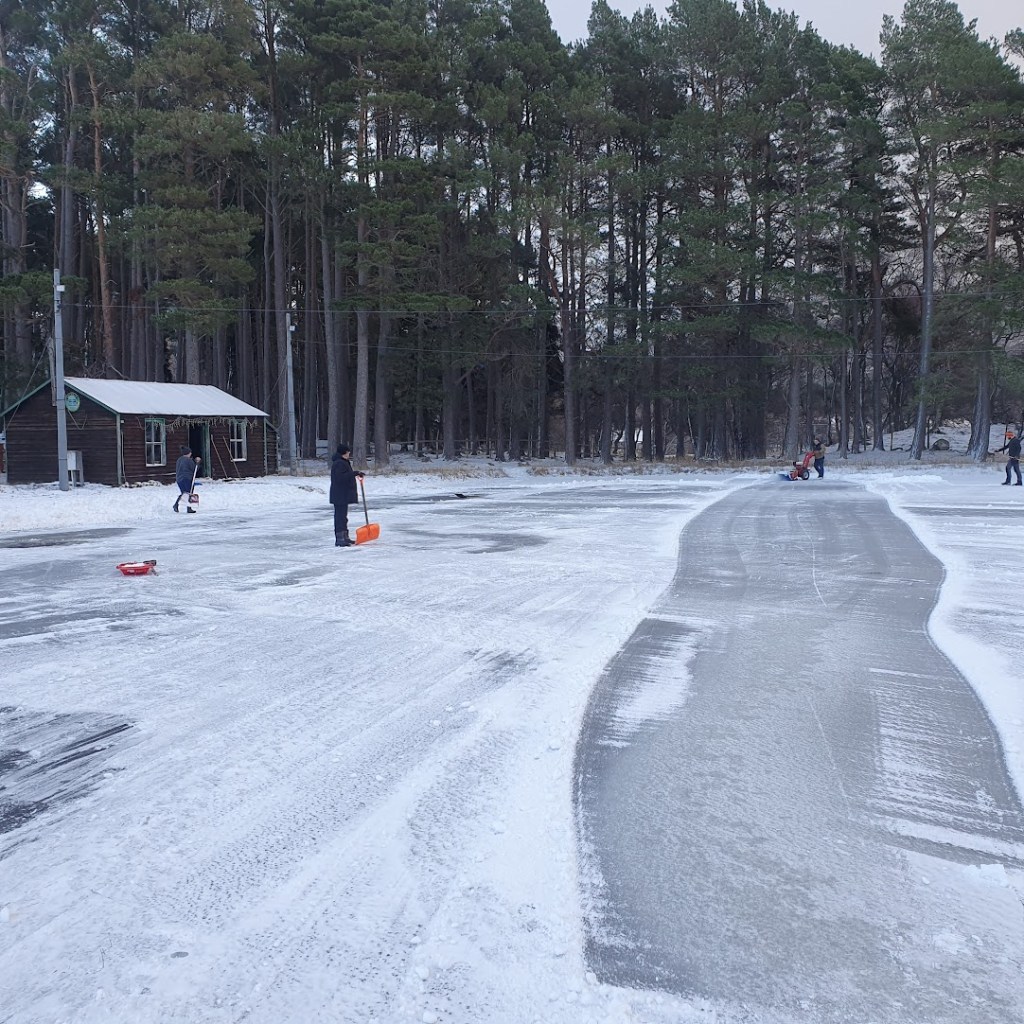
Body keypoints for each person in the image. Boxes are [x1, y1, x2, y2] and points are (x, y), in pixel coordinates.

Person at [330, 443, 364, 546]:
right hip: (339, 494)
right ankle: (340, 538)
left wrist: (356, 473)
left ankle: (345, 536)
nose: (349, 453)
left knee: (343, 517)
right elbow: (340, 478)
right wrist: (354, 473)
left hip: (342, 494)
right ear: (344, 453)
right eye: (348, 451)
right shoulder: (339, 463)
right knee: (340, 517)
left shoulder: (343, 462)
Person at [173, 445, 201, 512]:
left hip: (179, 479)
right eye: (190, 452)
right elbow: (194, 469)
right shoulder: (188, 460)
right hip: (187, 478)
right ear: (188, 453)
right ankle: (188, 508)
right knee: (189, 493)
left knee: (184, 493)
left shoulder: (179, 459)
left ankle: (176, 505)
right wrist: (198, 463)